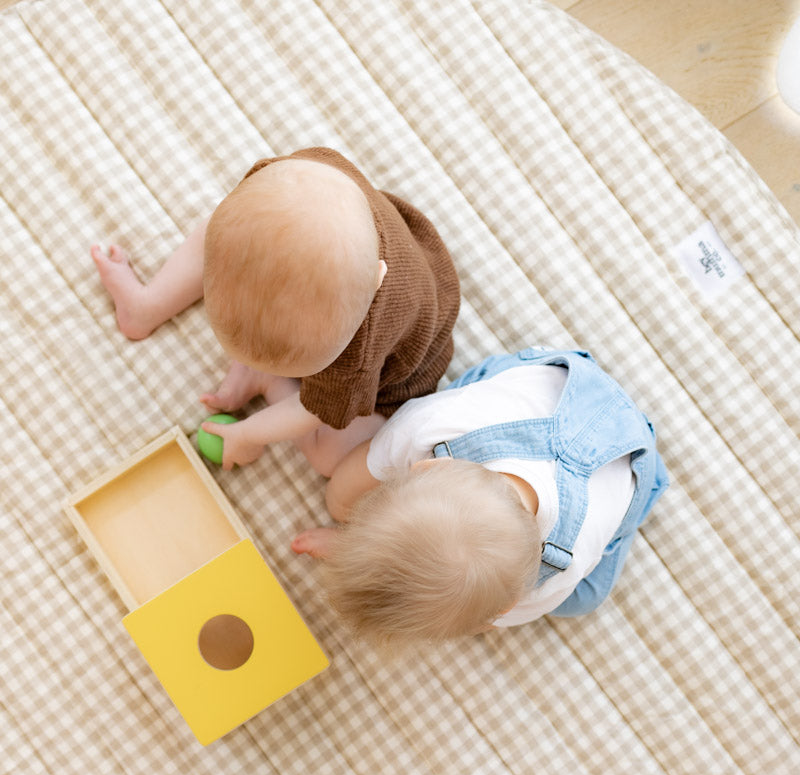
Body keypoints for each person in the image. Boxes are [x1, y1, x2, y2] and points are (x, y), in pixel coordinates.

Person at [91, 147, 460, 471]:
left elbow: (314, 410)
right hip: (342, 241)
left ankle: (268, 383)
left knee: (332, 458)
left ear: (377, 279)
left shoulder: (356, 357)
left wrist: (249, 434)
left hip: (399, 367)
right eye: (258, 362)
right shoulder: (287, 179)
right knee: (230, 230)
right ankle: (146, 305)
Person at [291, 346, 669, 641]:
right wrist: (342, 510)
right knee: (346, 488)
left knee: (584, 599)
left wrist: (348, 529)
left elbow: (482, 618)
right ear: (427, 466)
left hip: (633, 461)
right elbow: (351, 481)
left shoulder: (553, 577)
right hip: (566, 386)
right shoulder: (433, 426)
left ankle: (648, 490)